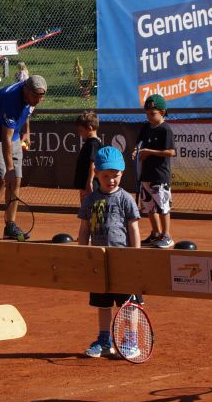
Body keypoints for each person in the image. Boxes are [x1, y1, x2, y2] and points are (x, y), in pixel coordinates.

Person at [77, 147, 143, 360]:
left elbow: (133, 229)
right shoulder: (90, 200)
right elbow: (84, 230)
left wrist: (135, 257)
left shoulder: (126, 199)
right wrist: (83, 255)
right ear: (96, 173)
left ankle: (131, 340)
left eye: (115, 176)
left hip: (123, 261)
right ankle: (105, 340)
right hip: (99, 261)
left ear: (122, 174)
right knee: (102, 303)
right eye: (106, 176)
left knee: (129, 303)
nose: (111, 180)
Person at [0, 75, 47, 240]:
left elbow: (28, 110)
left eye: (42, 95)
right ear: (26, 90)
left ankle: (10, 225)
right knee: (1, 178)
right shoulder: (11, 102)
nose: (39, 99)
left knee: (16, 180)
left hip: (14, 135)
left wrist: (26, 131)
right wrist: (9, 168)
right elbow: (5, 138)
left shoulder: (32, 96)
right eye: (36, 95)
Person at [133, 94, 177, 248]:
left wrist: (149, 152)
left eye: (153, 113)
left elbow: (171, 152)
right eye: (147, 113)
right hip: (146, 174)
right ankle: (156, 233)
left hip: (160, 176)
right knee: (149, 207)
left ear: (162, 113)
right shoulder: (145, 127)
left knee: (163, 206)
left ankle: (167, 235)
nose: (149, 116)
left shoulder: (165, 129)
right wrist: (136, 152)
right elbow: (139, 145)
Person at [72, 110, 101, 203]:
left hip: (90, 184)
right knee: (86, 210)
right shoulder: (90, 143)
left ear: (89, 128)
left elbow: (93, 163)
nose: (80, 133)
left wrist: (90, 182)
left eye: (81, 130)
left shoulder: (93, 143)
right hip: (86, 184)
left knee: (92, 210)